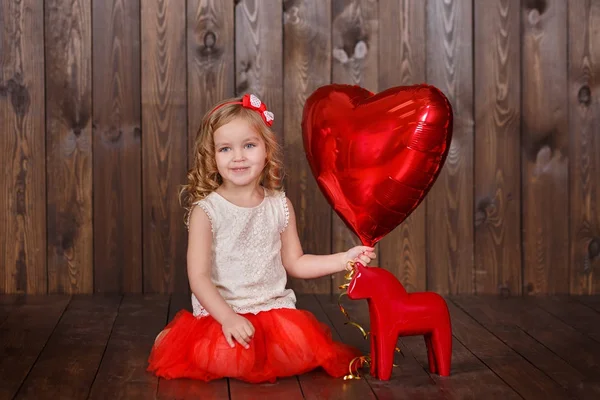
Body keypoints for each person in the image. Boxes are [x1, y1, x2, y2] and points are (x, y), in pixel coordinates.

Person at [147, 93, 376, 384]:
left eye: (249, 145)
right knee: (222, 357)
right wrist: (228, 318)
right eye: (225, 149)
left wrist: (344, 259)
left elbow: (296, 262)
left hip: (274, 314)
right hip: (222, 315)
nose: (238, 156)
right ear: (212, 156)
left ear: (267, 151)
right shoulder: (207, 211)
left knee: (299, 352)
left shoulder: (279, 205)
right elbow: (200, 277)